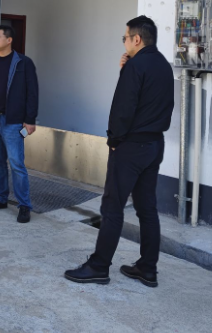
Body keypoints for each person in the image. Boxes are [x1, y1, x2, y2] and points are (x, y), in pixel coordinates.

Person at [65, 16, 174, 287]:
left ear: (136, 39)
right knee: (147, 208)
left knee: (112, 207)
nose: (124, 42)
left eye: (125, 38)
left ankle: (98, 266)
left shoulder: (135, 66)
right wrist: (126, 69)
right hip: (154, 144)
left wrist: (114, 139)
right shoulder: (163, 65)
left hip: (131, 147)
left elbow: (123, 107)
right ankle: (147, 268)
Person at [0, 25, 39, 224]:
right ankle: (1, 198)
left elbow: (32, 92)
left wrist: (30, 119)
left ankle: (24, 206)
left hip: (13, 122)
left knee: (17, 164)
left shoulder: (23, 63)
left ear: (9, 40)